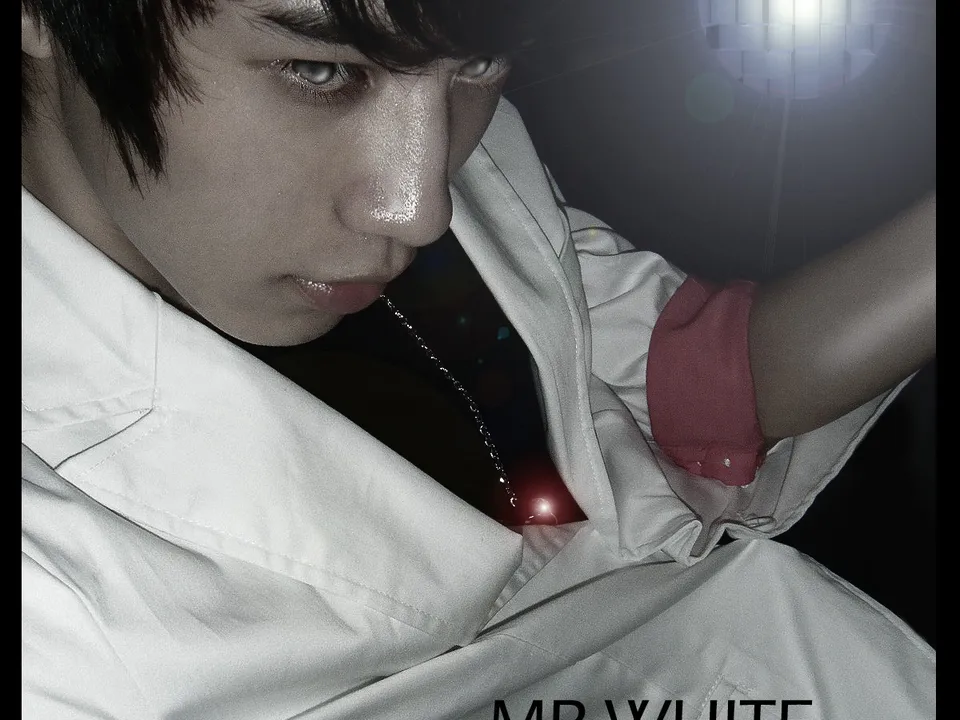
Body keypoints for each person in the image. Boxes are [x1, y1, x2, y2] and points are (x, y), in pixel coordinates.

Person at [21, 0, 935, 717]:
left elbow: (677, 380)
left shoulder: (440, 114)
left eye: (481, 64)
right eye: (319, 70)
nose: (420, 206)